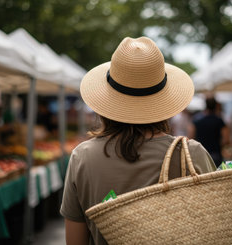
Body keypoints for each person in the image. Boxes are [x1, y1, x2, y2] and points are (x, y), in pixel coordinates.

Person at [60, 37, 217, 245]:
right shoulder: (191, 154)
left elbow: (75, 241)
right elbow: (213, 230)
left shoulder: (83, 157)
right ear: (164, 100)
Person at [190, 98, 229, 167]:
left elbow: (191, 137)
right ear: (216, 106)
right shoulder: (219, 121)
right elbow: (226, 139)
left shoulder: (197, 121)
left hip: (201, 154)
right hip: (216, 154)